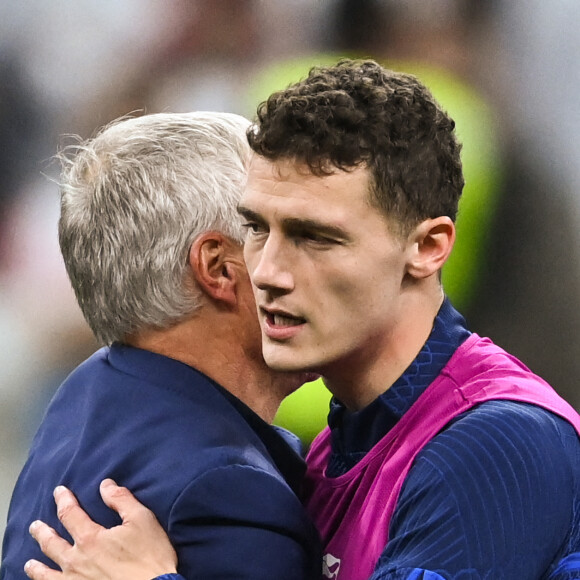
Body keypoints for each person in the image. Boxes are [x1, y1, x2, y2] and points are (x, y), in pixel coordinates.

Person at [24, 59, 580, 579]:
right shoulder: (329, 448)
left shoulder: (496, 443)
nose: (267, 272)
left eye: (315, 237)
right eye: (258, 228)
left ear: (429, 247)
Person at [0, 111, 321, 580]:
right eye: (277, 231)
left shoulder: (86, 391)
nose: (314, 262)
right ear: (219, 268)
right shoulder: (227, 489)